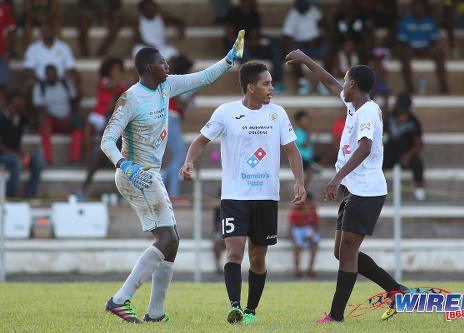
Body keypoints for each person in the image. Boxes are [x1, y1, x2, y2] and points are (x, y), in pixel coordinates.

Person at [100, 31, 245, 323]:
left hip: (151, 174)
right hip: (136, 174)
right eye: (163, 63)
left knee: (172, 242)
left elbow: (202, 77)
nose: (168, 66)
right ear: (149, 68)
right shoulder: (130, 98)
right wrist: (124, 165)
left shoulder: (165, 87)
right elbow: (106, 140)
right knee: (168, 237)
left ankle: (155, 313)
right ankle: (120, 299)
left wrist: (229, 60)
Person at [285, 49, 408, 323]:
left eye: (345, 79)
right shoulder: (355, 105)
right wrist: (305, 60)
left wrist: (336, 177)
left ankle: (337, 316)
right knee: (341, 251)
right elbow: (329, 81)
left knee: (348, 252)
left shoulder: (367, 113)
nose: (341, 83)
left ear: (353, 84)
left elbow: (365, 148)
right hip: (356, 189)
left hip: (366, 190)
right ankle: (397, 291)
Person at [180, 61, 307, 324]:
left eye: (271, 83)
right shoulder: (226, 112)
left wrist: (300, 181)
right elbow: (201, 139)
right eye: (266, 83)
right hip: (234, 197)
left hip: (266, 197)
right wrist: (189, 161)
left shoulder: (278, 114)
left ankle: (251, 310)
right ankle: (235, 306)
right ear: (251, 87)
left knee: (258, 257)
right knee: (234, 252)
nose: (271, 88)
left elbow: (292, 151)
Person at [224, 0, 285, 93]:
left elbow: (257, 34)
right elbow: (230, 37)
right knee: (245, 54)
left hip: (252, 46)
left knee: (274, 46)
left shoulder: (254, 14)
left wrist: (259, 42)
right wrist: (250, 43)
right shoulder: (233, 13)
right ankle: (248, 86)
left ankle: (278, 83)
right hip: (237, 47)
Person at [33, 64, 82, 165]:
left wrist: (72, 116)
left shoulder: (65, 84)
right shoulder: (40, 87)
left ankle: (74, 159)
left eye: (53, 73)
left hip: (66, 118)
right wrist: (59, 120)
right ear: (45, 74)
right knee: (44, 126)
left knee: (78, 129)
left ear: (57, 74)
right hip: (51, 120)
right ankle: (47, 160)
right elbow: (40, 109)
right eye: (48, 73)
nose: (51, 75)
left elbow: (74, 100)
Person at [161, 55, 195, 199]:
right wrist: (193, 96)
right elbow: (181, 105)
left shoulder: (168, 78)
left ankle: (162, 185)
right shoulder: (175, 80)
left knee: (180, 156)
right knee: (181, 156)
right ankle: (172, 194)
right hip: (170, 117)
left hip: (167, 118)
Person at [397, 0, 448, 93]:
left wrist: (426, 49)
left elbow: (434, 40)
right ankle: (410, 86)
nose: (418, 9)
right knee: (404, 55)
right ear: (412, 8)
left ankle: (444, 86)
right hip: (410, 48)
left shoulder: (431, 21)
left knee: (440, 55)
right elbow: (402, 40)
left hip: (427, 48)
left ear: (424, 8)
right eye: (416, 6)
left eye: (420, 6)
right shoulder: (405, 21)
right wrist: (414, 48)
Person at [0, 91, 44, 198]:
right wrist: (17, 155)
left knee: (38, 160)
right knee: (17, 163)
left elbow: (35, 123)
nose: (21, 103)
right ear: (11, 102)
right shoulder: (1, 117)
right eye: (19, 101)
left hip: (16, 153)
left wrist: (27, 111)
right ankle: (10, 196)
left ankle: (30, 193)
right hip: (3, 155)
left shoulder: (21, 117)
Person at [383, 93, 425, 201]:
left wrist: (408, 155)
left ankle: (419, 190)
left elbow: (419, 144)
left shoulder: (413, 121)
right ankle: (375, 189)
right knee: (376, 161)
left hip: (406, 152)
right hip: (390, 151)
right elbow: (381, 130)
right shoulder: (390, 117)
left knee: (417, 162)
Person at [281, 0, 328, 95]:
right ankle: (303, 83)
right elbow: (285, 38)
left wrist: (319, 36)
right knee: (293, 53)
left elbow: (325, 25)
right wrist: (305, 41)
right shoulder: (293, 15)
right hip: (301, 46)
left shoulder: (314, 11)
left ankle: (324, 83)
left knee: (329, 49)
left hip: (316, 44)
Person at [84, 57, 126, 162]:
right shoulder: (104, 81)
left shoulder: (122, 85)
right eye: (114, 70)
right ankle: (89, 158)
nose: (116, 72)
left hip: (111, 117)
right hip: (98, 114)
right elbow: (109, 86)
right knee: (88, 129)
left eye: (118, 70)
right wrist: (122, 76)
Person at [324, 0, 374, 78]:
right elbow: (331, 35)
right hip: (340, 45)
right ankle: (327, 79)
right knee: (328, 52)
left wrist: (359, 44)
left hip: (359, 45)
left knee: (367, 52)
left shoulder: (363, 15)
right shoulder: (338, 17)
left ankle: (364, 79)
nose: (344, 3)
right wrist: (343, 44)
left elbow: (369, 34)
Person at [23, 23, 80, 88]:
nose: (48, 33)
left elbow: (71, 67)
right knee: (29, 85)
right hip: (39, 82)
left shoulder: (64, 47)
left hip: (60, 82)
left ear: (54, 32)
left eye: (50, 31)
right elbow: (28, 69)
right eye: (46, 31)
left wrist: (77, 78)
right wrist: (42, 82)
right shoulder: (33, 48)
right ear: (41, 33)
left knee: (74, 85)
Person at [289, 192, 319, 277]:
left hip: (308, 228)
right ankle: (297, 268)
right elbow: (292, 224)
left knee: (315, 242)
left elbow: (316, 223)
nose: (308, 204)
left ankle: (311, 268)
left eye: (309, 202)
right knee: (298, 244)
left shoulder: (313, 208)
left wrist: (312, 232)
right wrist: (292, 236)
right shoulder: (296, 209)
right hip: (298, 228)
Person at [294, 110, 315, 188]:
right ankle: (303, 189)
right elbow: (305, 145)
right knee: (310, 171)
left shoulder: (305, 132)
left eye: (307, 120)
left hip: (308, 158)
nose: (307, 122)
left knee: (326, 157)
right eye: (304, 120)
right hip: (301, 159)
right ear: (298, 121)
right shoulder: (297, 132)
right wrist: (308, 132)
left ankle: (316, 166)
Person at [0, 1, 15, 98]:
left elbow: (11, 30)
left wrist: (9, 50)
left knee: (2, 84)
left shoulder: (5, 8)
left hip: (2, 51)